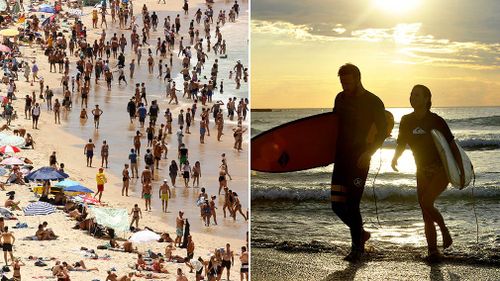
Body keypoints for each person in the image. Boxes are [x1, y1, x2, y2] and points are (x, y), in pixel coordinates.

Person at [391, 85, 458, 262]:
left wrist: (459, 167)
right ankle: (433, 251)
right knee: (425, 212)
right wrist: (395, 158)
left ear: (427, 99)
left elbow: (451, 144)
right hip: (421, 170)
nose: (412, 97)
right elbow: (401, 142)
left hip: (440, 169)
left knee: (426, 202)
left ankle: (444, 230)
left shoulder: (436, 120)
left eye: (417, 95)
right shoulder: (406, 120)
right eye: (411, 94)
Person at [330, 63, 387, 262]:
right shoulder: (340, 98)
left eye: (347, 82)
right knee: (337, 206)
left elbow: (383, 131)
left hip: (359, 160)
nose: (344, 86)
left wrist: (369, 153)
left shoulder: (373, 101)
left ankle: (357, 249)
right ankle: (361, 234)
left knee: (353, 205)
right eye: (342, 82)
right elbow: (333, 126)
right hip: (341, 159)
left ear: (358, 78)